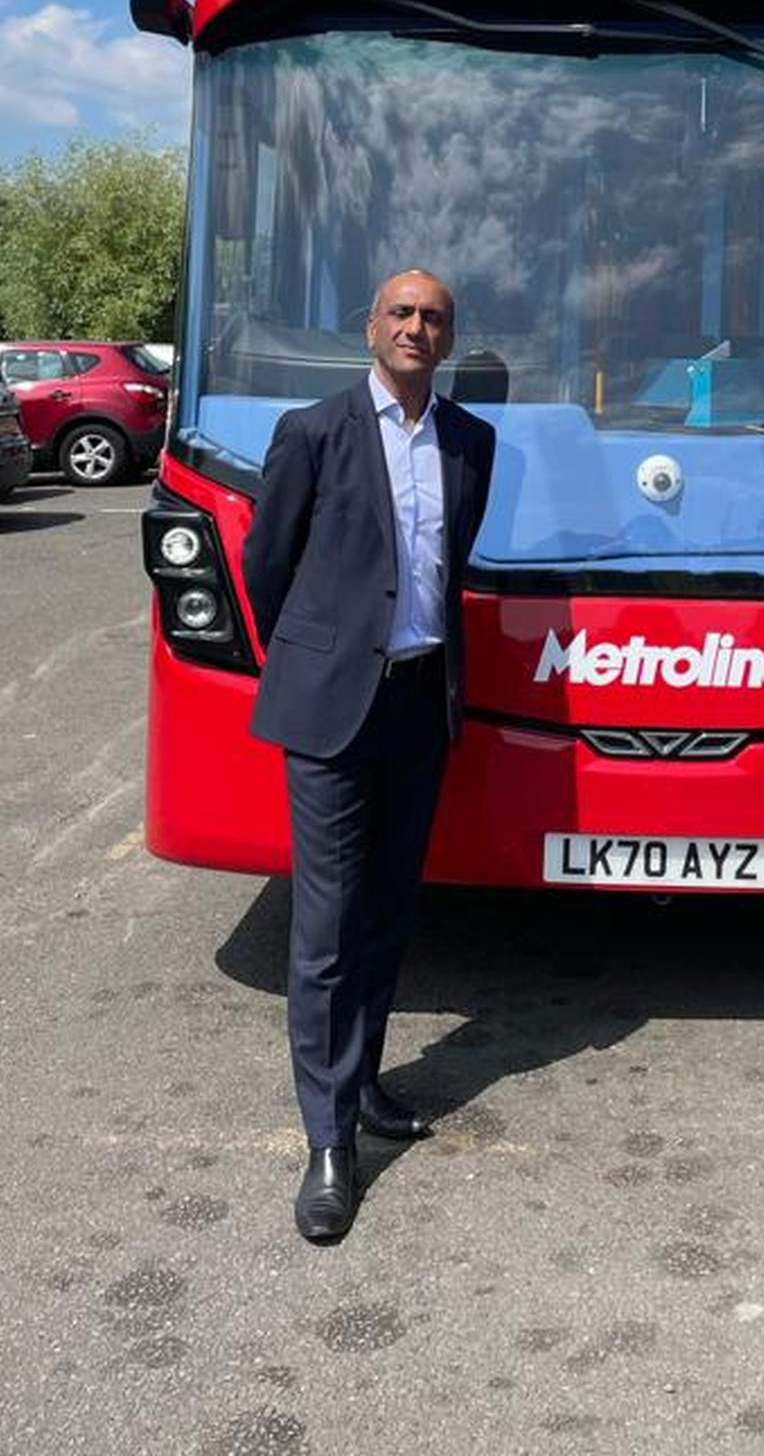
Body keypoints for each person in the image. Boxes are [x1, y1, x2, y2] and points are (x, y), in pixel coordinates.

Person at [242, 268, 497, 1242]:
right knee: (325, 926)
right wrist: (316, 664)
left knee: (389, 912)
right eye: (401, 312)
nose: (416, 327)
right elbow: (268, 567)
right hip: (333, 713)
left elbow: (447, 564)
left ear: (448, 336)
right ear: (371, 325)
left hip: (419, 705)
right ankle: (327, 1139)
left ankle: (364, 1081)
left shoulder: (473, 442)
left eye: (433, 317)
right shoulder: (311, 431)